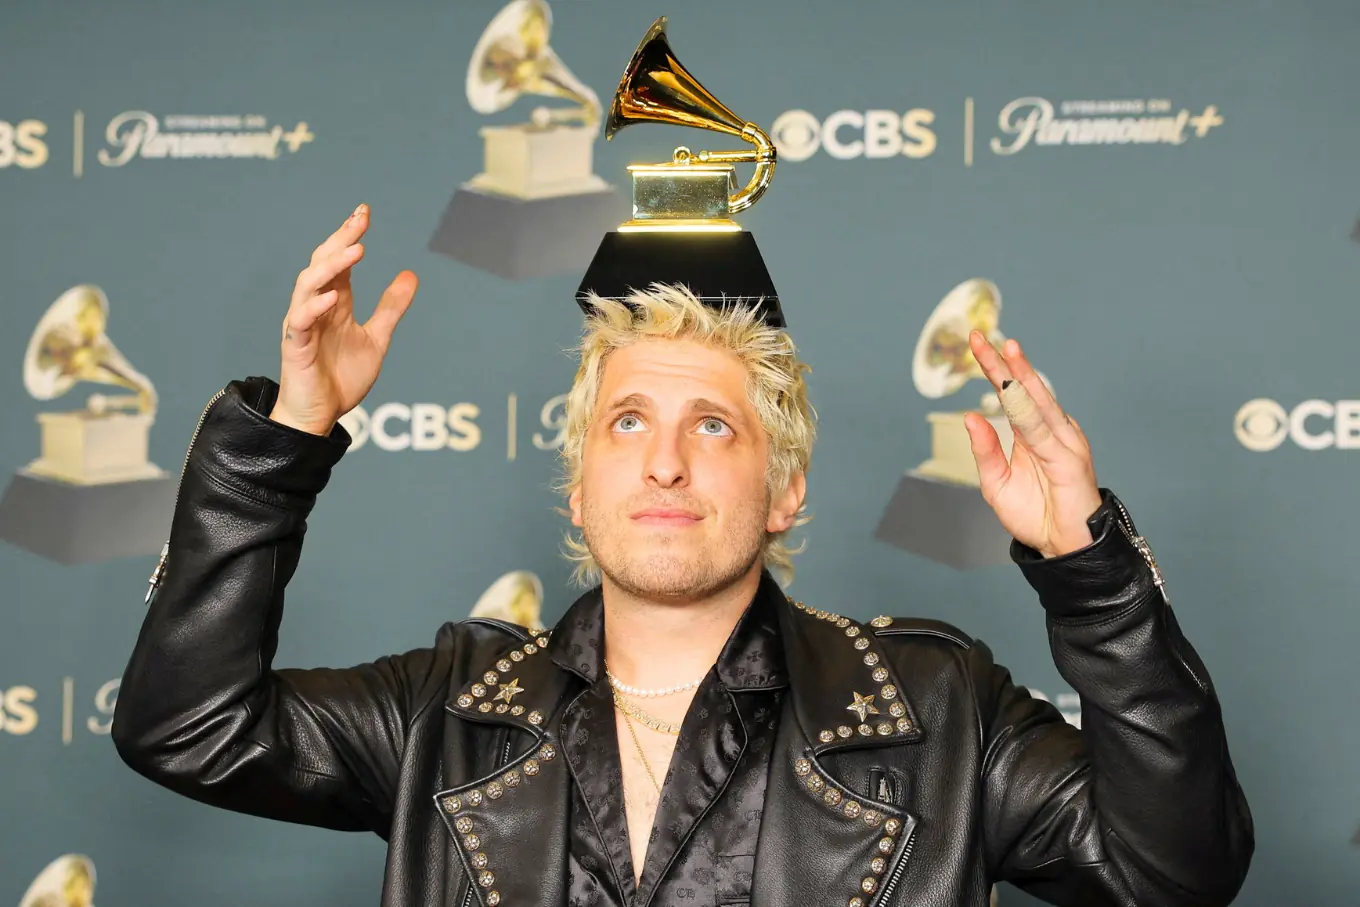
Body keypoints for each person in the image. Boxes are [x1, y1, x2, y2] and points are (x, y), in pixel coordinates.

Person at [111, 204, 1254, 907]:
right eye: (626, 423)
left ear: (785, 489)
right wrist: (285, 440)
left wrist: (1090, 574)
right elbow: (187, 725)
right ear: (578, 483)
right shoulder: (442, 714)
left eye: (712, 425)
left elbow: (1171, 872)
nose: (663, 462)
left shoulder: (939, 709)